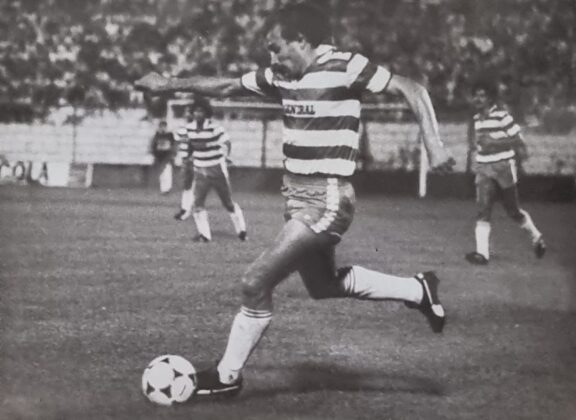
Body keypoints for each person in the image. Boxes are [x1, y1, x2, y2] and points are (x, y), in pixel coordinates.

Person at [136, 3, 455, 397]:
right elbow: (226, 85)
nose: (270, 58)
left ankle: (226, 378)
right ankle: (418, 290)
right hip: (296, 195)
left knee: (255, 281)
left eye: (275, 47)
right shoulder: (280, 76)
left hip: (328, 197)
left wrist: (434, 146)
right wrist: (168, 83)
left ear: (301, 40)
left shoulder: (345, 65)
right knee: (323, 285)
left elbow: (412, 87)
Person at [464, 80, 546, 265]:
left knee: (513, 211)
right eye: (475, 95)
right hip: (484, 168)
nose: (478, 99)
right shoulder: (477, 120)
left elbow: (519, 141)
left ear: (490, 98)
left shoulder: (502, 116)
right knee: (483, 210)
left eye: (482, 95)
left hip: (503, 167)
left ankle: (536, 237)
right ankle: (482, 254)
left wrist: (495, 143)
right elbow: (480, 146)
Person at [173, 96, 247, 242]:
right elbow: (185, 146)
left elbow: (226, 142)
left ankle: (242, 231)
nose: (198, 114)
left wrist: (225, 155)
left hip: (216, 169)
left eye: (201, 111)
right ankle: (205, 235)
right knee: (198, 204)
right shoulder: (188, 129)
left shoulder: (215, 128)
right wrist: (185, 159)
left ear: (206, 113)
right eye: (196, 111)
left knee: (228, 203)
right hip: (200, 170)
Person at [149, 120, 176, 194]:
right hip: (159, 156)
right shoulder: (157, 135)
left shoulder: (170, 135)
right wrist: (153, 154)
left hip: (167, 156)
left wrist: (173, 154)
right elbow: (153, 145)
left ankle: (167, 188)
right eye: (161, 127)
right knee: (161, 173)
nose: (163, 128)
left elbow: (173, 145)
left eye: (164, 127)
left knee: (167, 172)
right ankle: (163, 188)